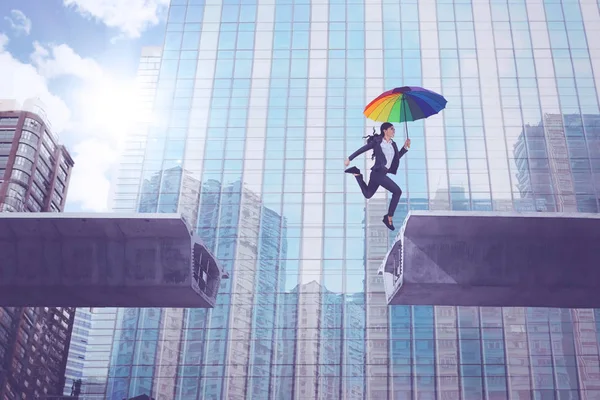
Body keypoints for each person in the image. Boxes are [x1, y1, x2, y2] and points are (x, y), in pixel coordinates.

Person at [344, 122, 410, 231]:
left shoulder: (393, 144)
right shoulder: (377, 142)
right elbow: (362, 149)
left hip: (381, 174)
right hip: (377, 173)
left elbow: (396, 158)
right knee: (397, 192)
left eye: (394, 129)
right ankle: (388, 217)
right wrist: (349, 158)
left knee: (368, 194)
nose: (394, 131)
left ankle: (357, 174)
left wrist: (405, 147)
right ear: (385, 130)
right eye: (391, 129)